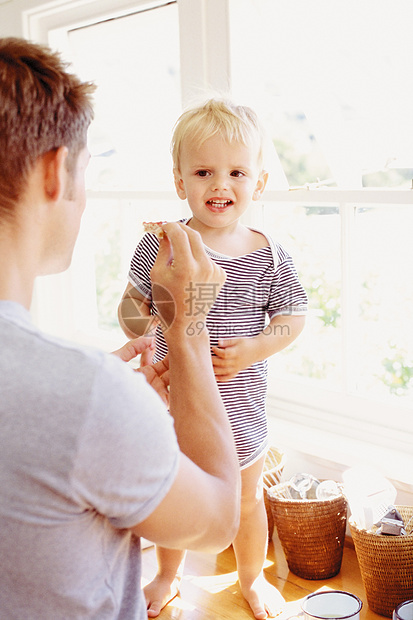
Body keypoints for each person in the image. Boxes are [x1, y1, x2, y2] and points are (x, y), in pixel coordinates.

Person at [0, 38, 241, 620]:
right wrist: (189, 326)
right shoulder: (85, 396)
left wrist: (103, 398)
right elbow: (215, 521)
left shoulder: (89, 392)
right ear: (57, 171)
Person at [118, 98, 308, 619]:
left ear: (259, 184)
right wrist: (150, 325)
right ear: (180, 182)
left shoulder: (269, 253)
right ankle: (167, 575)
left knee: (247, 501)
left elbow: (293, 316)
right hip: (172, 403)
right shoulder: (163, 245)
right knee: (171, 498)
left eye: (236, 172)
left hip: (239, 408)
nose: (219, 184)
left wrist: (256, 348)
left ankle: (252, 578)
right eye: (203, 172)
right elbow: (131, 306)